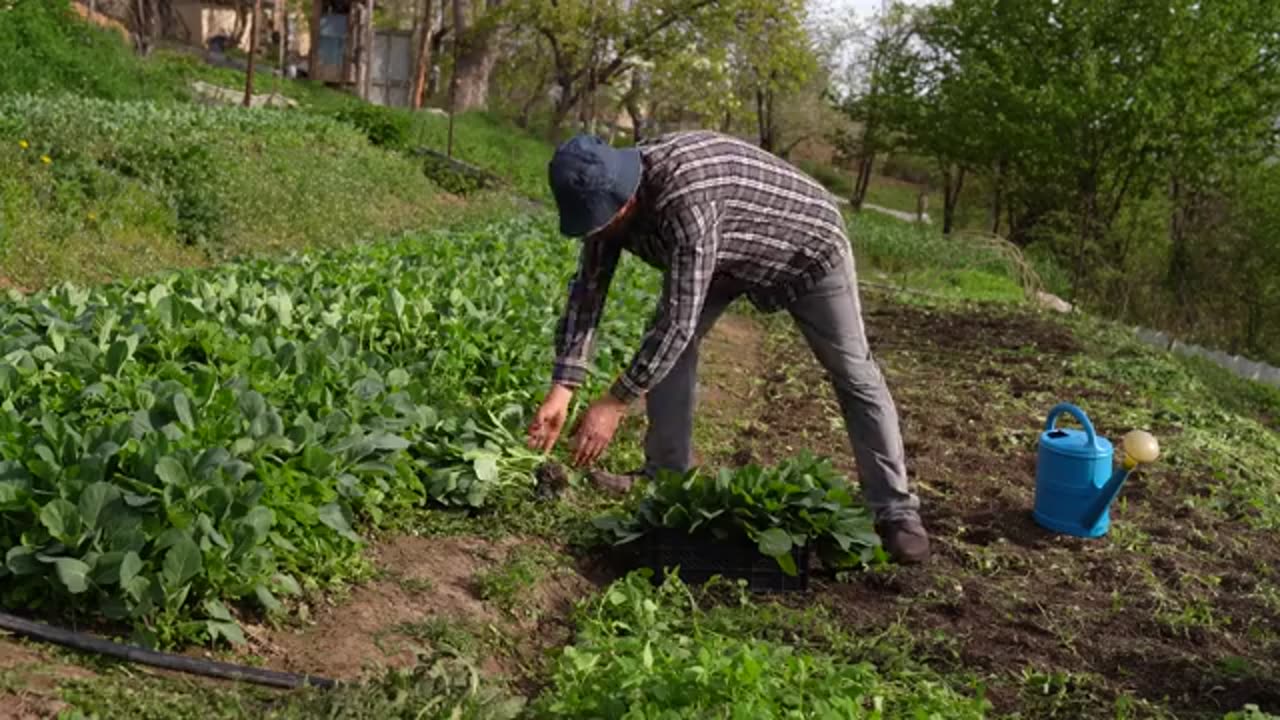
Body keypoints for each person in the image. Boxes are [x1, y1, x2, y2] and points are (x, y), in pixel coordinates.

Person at [525, 131, 930, 565]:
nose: (600, 229)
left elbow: (678, 322)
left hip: (806, 248)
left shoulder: (686, 195)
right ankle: (666, 480)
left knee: (853, 372)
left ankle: (895, 511)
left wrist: (615, 402)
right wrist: (563, 387)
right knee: (671, 349)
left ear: (624, 198)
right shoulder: (605, 206)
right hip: (724, 258)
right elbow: (588, 293)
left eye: (604, 218)